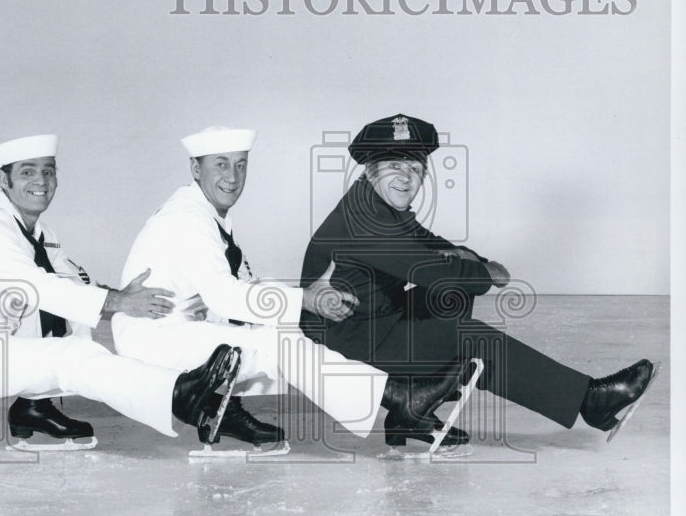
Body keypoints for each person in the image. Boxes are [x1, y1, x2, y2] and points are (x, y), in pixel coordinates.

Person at [299, 112, 658, 445]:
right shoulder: (368, 221)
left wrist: (474, 259)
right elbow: (434, 273)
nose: (406, 177)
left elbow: (426, 242)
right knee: (470, 337)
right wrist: (486, 273)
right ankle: (589, 400)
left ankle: (411, 410)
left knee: (454, 289)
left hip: (373, 321)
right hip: (346, 337)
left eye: (415, 166)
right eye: (394, 166)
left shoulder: (373, 201)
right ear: (371, 171)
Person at [112, 125, 469, 450]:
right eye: (220, 165)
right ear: (195, 169)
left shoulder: (204, 212)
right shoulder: (188, 219)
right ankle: (400, 401)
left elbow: (235, 287)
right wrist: (304, 299)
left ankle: (223, 409)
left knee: (281, 336)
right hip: (156, 338)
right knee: (280, 345)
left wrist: (299, 301)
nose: (233, 177)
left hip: (181, 329)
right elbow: (224, 294)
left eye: (240, 165)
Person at [0, 134, 242, 447]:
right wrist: (118, 302)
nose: (41, 181)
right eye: (27, 172)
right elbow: (35, 286)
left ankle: (33, 407)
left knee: (73, 307)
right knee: (72, 354)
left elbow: (76, 285)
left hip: (2, 342)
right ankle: (177, 395)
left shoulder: (40, 232)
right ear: (3, 179)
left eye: (48, 171)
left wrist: (124, 298)